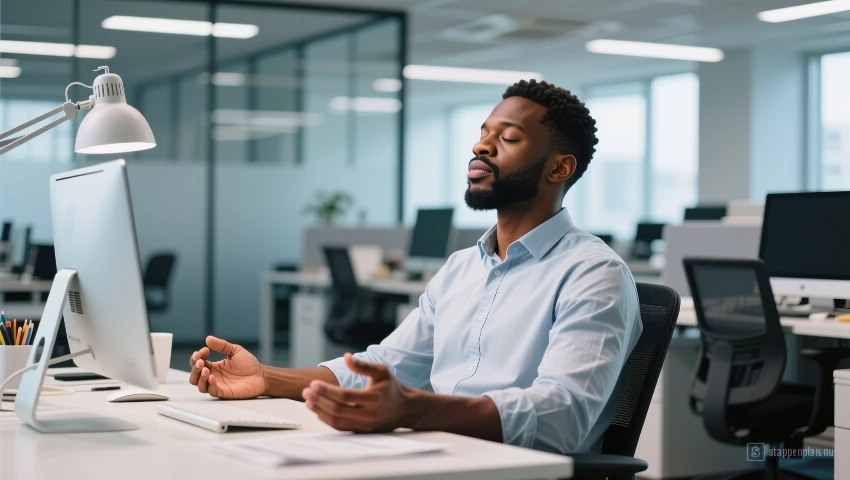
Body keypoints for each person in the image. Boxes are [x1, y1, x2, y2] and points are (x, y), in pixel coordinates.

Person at [189, 79, 642, 454]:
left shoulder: (593, 274)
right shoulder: (463, 267)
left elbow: (563, 417)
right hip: (433, 449)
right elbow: (386, 365)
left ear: (560, 168)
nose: (481, 146)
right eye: (483, 133)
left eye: (507, 138)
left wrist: (412, 410)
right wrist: (267, 378)